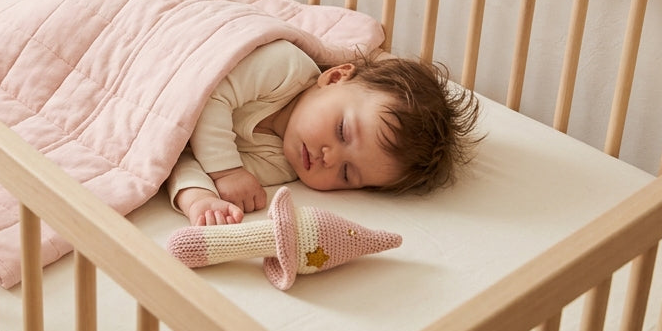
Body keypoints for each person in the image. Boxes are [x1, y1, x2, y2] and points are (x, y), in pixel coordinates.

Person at [168, 40, 482, 226]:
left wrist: (198, 197)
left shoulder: (281, 166)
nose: (328, 159)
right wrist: (226, 171)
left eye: (346, 173)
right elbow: (208, 92)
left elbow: (183, 154)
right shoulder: (285, 66)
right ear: (334, 78)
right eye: (342, 131)